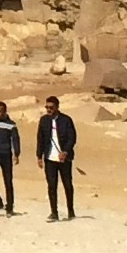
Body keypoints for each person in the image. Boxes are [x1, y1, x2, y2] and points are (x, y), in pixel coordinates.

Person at [36, 92, 79, 222]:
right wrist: (39, 155)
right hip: (50, 158)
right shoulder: (44, 120)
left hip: (64, 159)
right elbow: (40, 138)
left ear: (57, 107)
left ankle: (70, 211)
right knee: (51, 186)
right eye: (47, 107)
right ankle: (54, 212)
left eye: (51, 107)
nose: (49, 110)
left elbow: (72, 137)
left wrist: (65, 151)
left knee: (67, 185)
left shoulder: (66, 120)